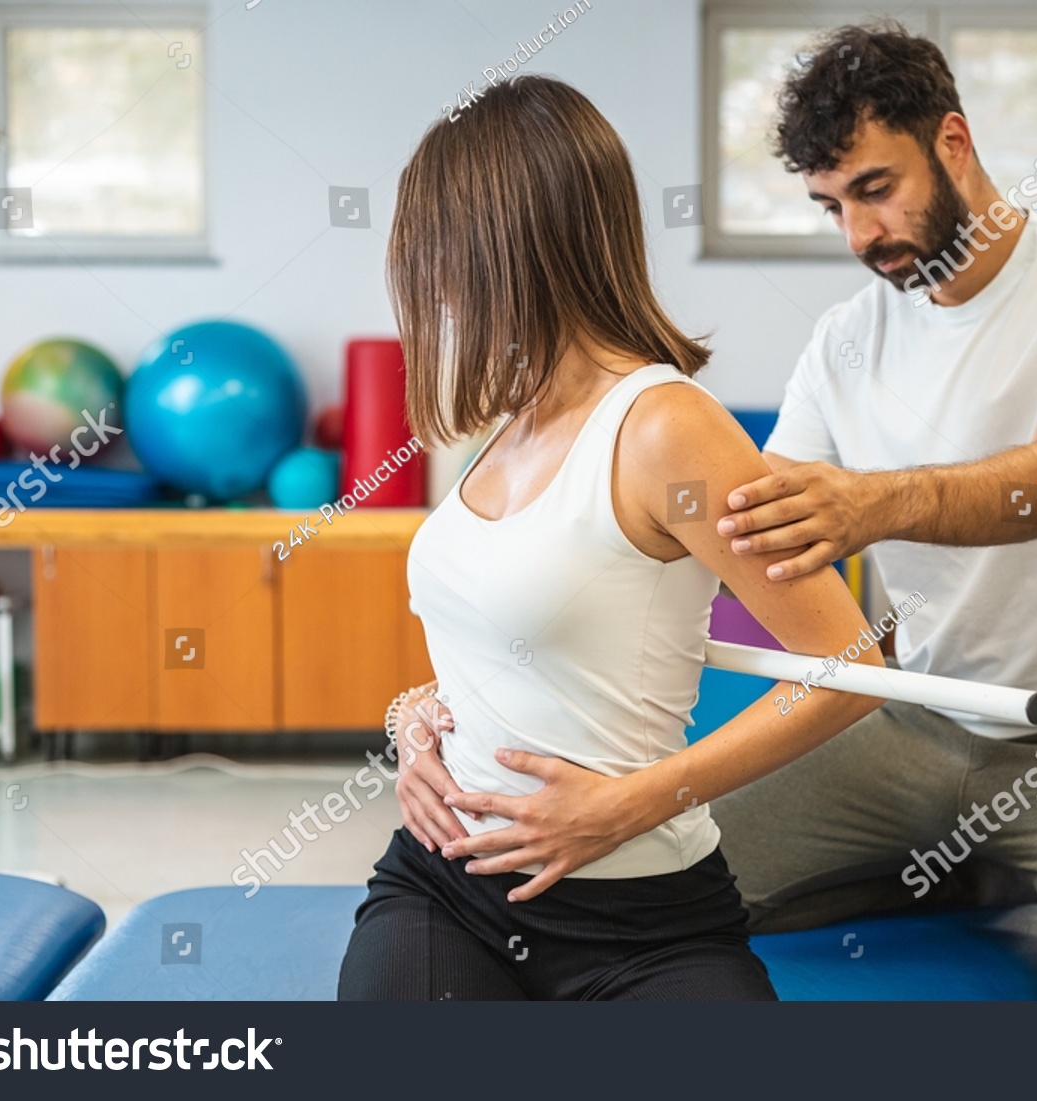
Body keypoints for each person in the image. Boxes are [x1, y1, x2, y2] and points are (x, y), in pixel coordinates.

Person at [409, 23, 1037, 1002]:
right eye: (830, 205)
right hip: (919, 721)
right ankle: (980, 862)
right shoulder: (847, 340)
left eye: (876, 190)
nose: (859, 236)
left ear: (954, 145)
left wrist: (874, 504)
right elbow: (748, 525)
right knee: (676, 883)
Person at [337, 75, 886, 1002]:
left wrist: (626, 805)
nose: (426, 283)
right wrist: (414, 721)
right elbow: (521, 641)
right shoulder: (505, 420)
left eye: (436, 250)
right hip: (447, 883)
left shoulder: (668, 426)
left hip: (643, 920)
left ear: (506, 244)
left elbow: (855, 658)